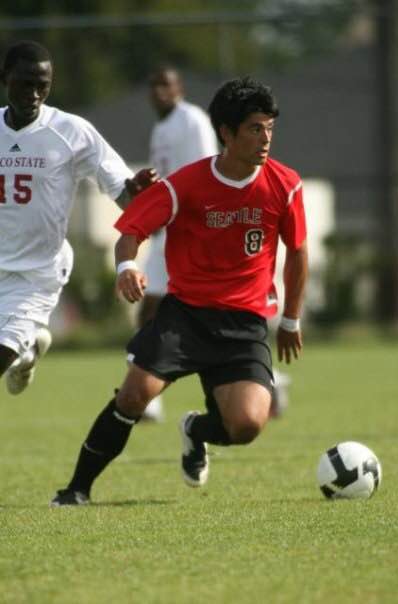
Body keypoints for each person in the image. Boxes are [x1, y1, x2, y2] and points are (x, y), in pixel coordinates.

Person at [51, 76, 308, 506]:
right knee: (133, 396)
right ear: (226, 133)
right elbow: (130, 230)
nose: (265, 139)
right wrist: (127, 267)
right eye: (254, 129)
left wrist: (291, 319)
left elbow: (297, 252)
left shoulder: (285, 185)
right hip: (185, 316)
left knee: (246, 426)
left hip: (244, 324)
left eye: (269, 128)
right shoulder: (186, 184)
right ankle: (76, 489)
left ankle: (195, 429)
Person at [0, 40, 156, 396]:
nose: (35, 93)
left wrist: (136, 192)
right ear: (4, 78)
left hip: (34, 275)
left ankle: (18, 346)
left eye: (44, 85)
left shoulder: (71, 132)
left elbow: (124, 195)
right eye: (26, 83)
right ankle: (26, 351)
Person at [140, 65, 219, 421]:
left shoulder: (193, 121)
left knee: (213, 314)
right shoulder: (161, 127)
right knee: (150, 307)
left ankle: (266, 380)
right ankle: (146, 395)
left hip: (190, 230)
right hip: (167, 229)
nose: (160, 91)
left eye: (166, 85)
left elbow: (208, 170)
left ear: (180, 88)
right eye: (154, 85)